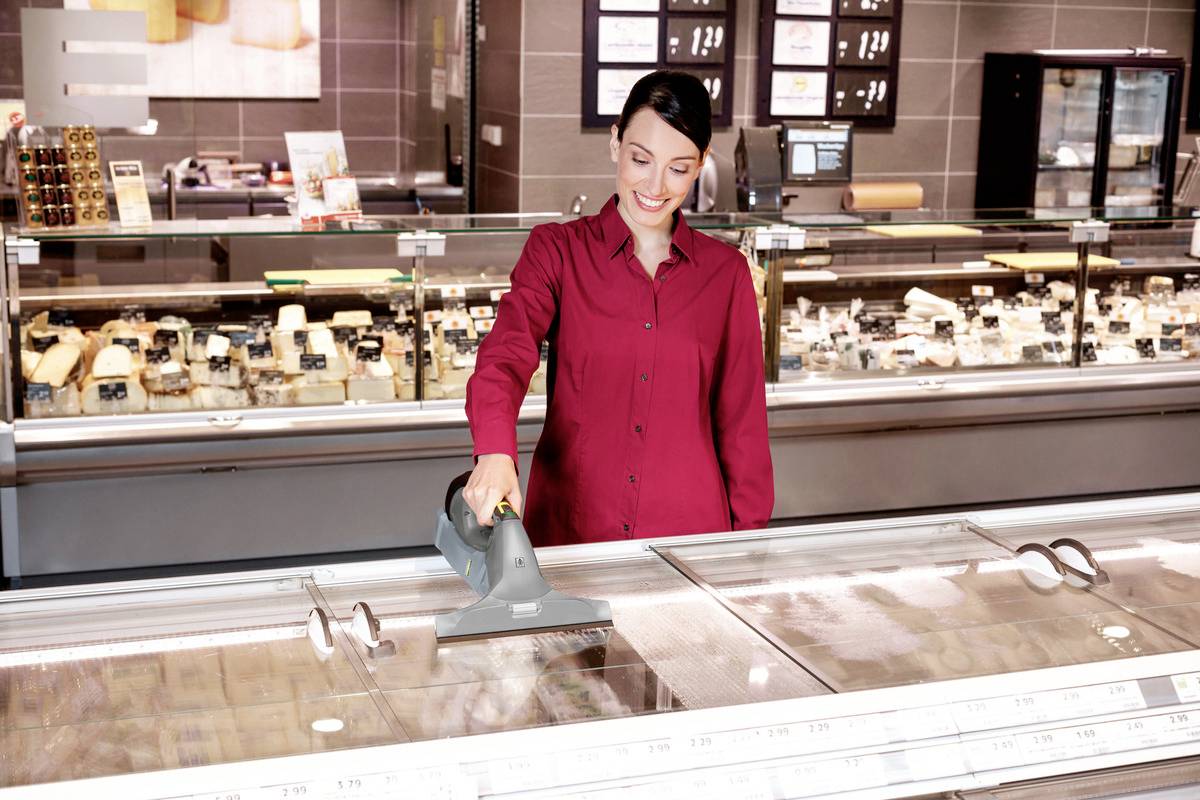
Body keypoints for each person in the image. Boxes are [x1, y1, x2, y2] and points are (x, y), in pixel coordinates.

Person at [463, 70, 773, 546]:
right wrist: (494, 453)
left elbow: (742, 428)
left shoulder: (726, 273)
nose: (655, 184)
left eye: (678, 167)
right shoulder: (556, 251)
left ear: (701, 164)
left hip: (691, 539)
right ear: (615, 143)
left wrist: (748, 549)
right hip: (572, 534)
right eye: (641, 159)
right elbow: (504, 358)